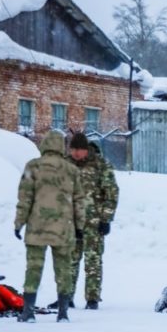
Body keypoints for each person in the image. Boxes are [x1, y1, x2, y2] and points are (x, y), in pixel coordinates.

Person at [14, 130, 86, 323]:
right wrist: (80, 227)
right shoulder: (71, 170)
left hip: (37, 228)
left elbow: (25, 198)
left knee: (33, 268)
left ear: (44, 144)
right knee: (63, 269)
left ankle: (28, 311)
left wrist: (19, 223)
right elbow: (79, 201)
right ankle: (63, 312)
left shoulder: (33, 167)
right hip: (63, 229)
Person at [51, 132, 119, 311]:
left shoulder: (100, 165)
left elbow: (111, 194)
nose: (75, 154)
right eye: (72, 149)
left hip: (93, 223)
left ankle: (92, 298)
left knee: (93, 260)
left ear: (85, 150)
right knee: (68, 261)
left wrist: (106, 218)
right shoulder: (64, 165)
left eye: (78, 150)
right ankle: (66, 297)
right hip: (69, 222)